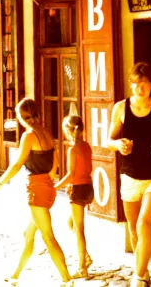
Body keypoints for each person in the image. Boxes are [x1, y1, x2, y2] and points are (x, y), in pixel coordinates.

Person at [0, 97, 72, 286]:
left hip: (36, 190)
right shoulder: (46, 132)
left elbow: (17, 164)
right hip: (46, 186)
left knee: (48, 237)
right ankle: (15, 275)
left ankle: (67, 279)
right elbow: (55, 162)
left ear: (20, 116)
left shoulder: (28, 136)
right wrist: (48, 182)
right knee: (28, 235)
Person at [108, 62, 151, 287]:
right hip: (129, 174)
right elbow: (109, 140)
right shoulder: (120, 108)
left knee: (144, 224)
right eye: (136, 83)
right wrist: (119, 145)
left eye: (144, 84)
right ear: (131, 84)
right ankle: (144, 272)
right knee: (133, 226)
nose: (139, 88)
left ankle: (137, 278)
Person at [54, 115, 94, 279]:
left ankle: (82, 268)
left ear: (67, 131)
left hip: (77, 189)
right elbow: (88, 168)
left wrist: (54, 186)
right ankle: (86, 256)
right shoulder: (86, 146)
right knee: (71, 224)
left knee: (79, 230)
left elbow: (70, 174)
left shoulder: (72, 149)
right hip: (88, 188)